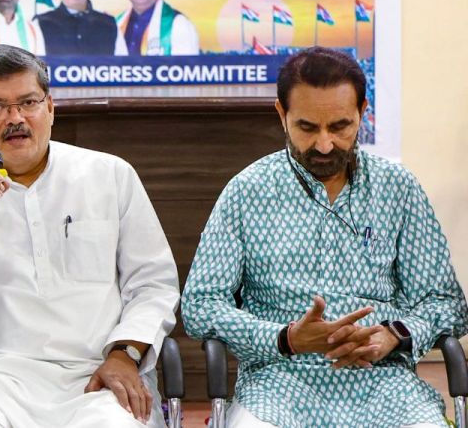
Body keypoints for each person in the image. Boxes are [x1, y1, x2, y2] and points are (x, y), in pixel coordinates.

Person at [181, 47, 467, 428]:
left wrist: (394, 334)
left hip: (384, 382)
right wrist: (287, 338)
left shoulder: (397, 188)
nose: (325, 145)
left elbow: (446, 302)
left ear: (363, 112)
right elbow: (200, 305)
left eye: (340, 127)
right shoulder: (247, 191)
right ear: (282, 115)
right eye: (307, 127)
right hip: (279, 383)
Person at [0, 44, 179, 428]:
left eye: (28, 102)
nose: (14, 118)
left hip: (96, 378)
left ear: (50, 108)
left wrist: (125, 353)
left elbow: (153, 284)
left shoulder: (109, 176)